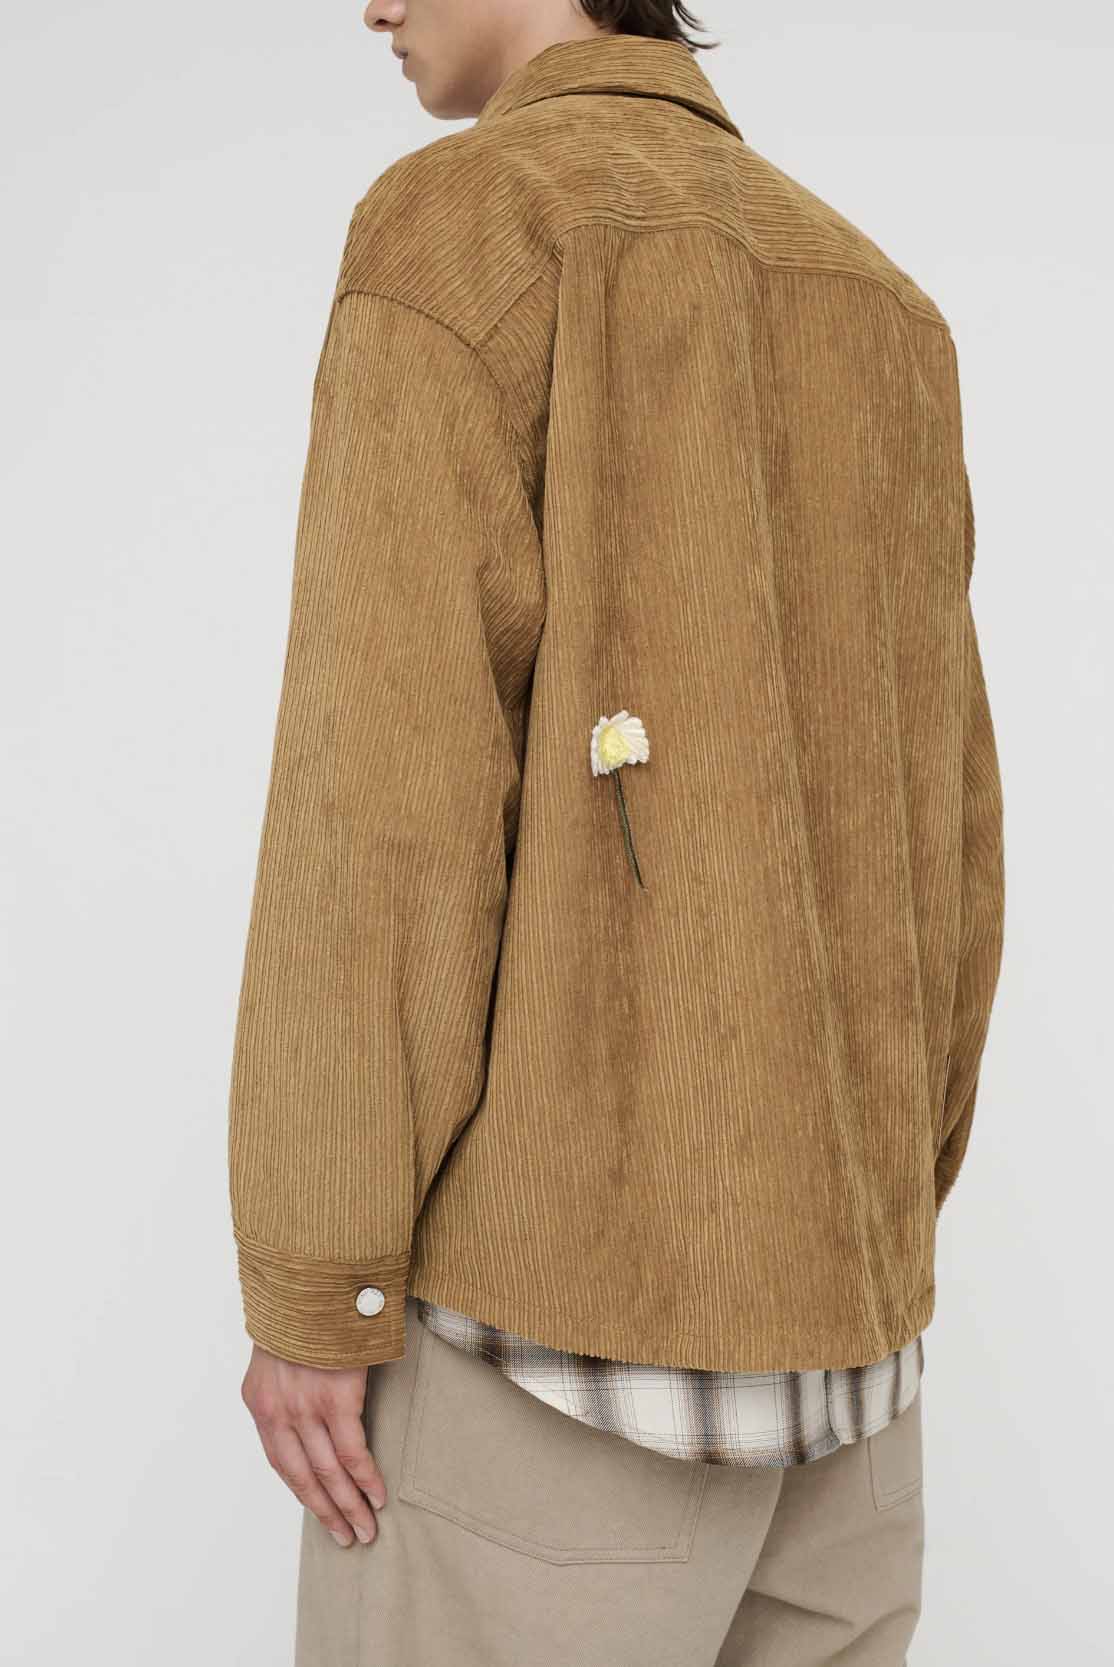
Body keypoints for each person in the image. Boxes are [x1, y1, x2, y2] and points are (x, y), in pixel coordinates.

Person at [226, 3, 1006, 1663]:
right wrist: (878, 1209)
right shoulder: (877, 298)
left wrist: (318, 1280)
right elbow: (951, 834)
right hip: (850, 1385)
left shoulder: (473, 219)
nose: (371, 5)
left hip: (550, 1367)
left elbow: (384, 800)